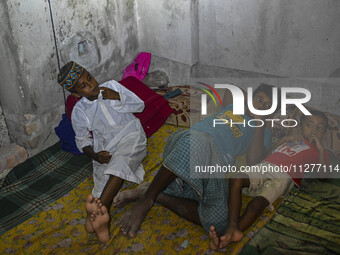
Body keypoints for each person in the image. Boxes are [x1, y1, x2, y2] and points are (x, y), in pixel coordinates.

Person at [113, 84, 277, 241]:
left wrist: (259, 122)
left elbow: (254, 160)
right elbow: (229, 90)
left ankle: (156, 194)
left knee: (219, 223)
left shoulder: (262, 131)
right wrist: (250, 100)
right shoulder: (234, 107)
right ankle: (147, 200)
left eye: (267, 106)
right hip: (191, 142)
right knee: (198, 141)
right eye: (259, 99)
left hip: (213, 165)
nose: (261, 105)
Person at [209, 109, 330, 250]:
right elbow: (264, 156)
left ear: (324, 134)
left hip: (284, 177)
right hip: (265, 166)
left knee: (257, 205)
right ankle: (232, 227)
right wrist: (283, 141)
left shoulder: (319, 151)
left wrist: (321, 149)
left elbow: (322, 175)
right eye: (310, 125)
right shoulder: (290, 140)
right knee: (236, 178)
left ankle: (227, 236)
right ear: (301, 127)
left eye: (320, 127)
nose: (314, 129)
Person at [57, 61, 147, 242]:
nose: (91, 84)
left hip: (131, 135)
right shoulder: (79, 111)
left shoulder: (111, 86)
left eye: (89, 77)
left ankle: (99, 212)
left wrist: (117, 96)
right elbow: (82, 140)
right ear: (76, 94)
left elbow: (140, 105)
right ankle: (98, 221)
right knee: (101, 179)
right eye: (84, 85)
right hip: (105, 148)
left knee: (120, 165)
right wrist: (95, 155)